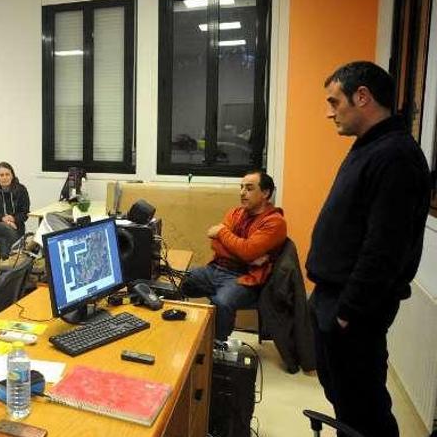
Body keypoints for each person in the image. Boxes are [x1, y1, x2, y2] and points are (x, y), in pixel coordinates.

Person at [306, 61, 430, 437]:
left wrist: (348, 313)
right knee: (346, 402)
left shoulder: (395, 156)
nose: (329, 112)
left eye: (334, 101)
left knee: (365, 410)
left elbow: (384, 248)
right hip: (333, 299)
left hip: (352, 310)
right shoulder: (371, 146)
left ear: (362, 97)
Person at [180, 169, 287, 341]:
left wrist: (223, 234)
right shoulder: (235, 213)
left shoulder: (275, 222)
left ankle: (216, 346)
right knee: (177, 279)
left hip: (245, 278)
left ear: (266, 193)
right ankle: (176, 330)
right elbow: (216, 244)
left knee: (222, 302)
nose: (242, 193)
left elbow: (246, 251)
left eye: (249, 188)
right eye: (241, 187)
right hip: (216, 269)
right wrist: (246, 253)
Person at [0, 162, 30, 260]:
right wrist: (4, 219)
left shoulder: (21, 190)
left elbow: (25, 213)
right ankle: (18, 259)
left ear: (12, 175)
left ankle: (4, 265)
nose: (4, 177)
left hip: (17, 225)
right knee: (6, 228)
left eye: (7, 174)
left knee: (4, 237)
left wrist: (13, 218)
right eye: (1, 175)